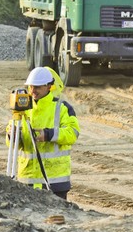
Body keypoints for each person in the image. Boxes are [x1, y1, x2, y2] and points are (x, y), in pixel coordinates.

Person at [6, 66, 80, 200]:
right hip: (28, 179)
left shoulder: (62, 108)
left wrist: (49, 135)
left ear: (49, 86)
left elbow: (72, 134)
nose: (33, 91)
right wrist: (12, 135)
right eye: (31, 87)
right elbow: (11, 142)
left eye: (37, 87)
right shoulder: (22, 107)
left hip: (55, 180)